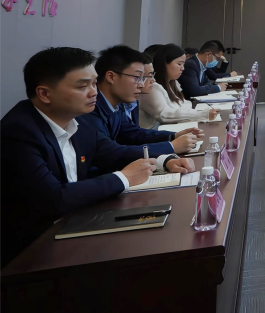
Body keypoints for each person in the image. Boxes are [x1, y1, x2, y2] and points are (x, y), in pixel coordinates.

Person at [0, 47, 193, 266]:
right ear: (44, 94)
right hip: (29, 251)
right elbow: (53, 199)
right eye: (83, 86)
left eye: (93, 83)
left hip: (74, 224)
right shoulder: (19, 132)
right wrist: (124, 178)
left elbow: (112, 153)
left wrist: (164, 161)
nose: (94, 92)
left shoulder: (79, 121)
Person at [86, 45, 199, 155]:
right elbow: (110, 152)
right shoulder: (90, 110)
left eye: (142, 78)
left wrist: (173, 136)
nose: (141, 84)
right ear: (111, 77)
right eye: (137, 78)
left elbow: (133, 133)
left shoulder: (116, 105)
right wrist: (171, 146)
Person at [140, 44, 219, 128]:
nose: (182, 68)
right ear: (164, 64)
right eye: (179, 64)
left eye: (183, 64)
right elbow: (164, 115)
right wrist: (201, 114)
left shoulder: (173, 83)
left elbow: (184, 104)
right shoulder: (152, 87)